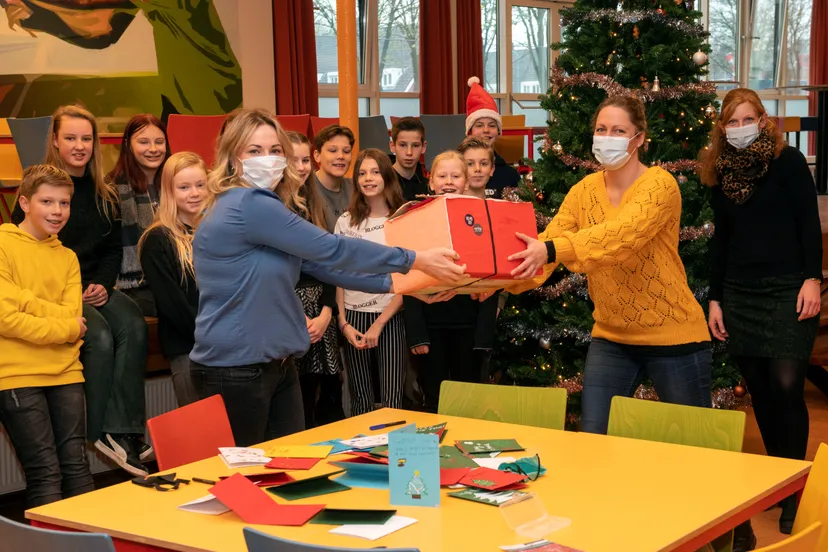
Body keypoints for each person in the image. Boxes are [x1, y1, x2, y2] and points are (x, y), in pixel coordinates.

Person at [189, 108, 466, 447]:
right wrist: (415, 259)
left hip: (275, 364)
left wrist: (401, 285)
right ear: (233, 158)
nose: (269, 160)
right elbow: (331, 249)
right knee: (246, 481)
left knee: (287, 470)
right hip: (236, 368)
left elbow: (319, 267)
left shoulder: (260, 205)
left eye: (276, 150)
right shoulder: (247, 204)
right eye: (254, 151)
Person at [494, 96, 713, 434]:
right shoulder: (583, 191)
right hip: (612, 336)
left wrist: (552, 249)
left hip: (674, 336)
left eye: (618, 130)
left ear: (638, 138)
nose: (607, 136)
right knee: (593, 438)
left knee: (692, 442)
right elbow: (543, 249)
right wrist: (494, 281)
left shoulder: (660, 185)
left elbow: (622, 237)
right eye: (601, 129)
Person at [701, 88, 821, 540]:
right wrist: (715, 298)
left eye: (746, 119)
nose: (739, 128)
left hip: (789, 289)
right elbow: (722, 242)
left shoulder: (787, 163)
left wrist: (814, 278)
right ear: (722, 128)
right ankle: (781, 481)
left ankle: (796, 489)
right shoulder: (719, 171)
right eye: (731, 122)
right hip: (739, 293)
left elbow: (809, 223)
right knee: (762, 393)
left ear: (763, 120)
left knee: (788, 385)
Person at [11, 105, 151, 476]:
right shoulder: (36, 188)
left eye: (86, 138)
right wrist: (73, 295)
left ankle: (125, 429)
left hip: (96, 285)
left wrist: (103, 286)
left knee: (134, 324)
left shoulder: (105, 192)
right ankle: (100, 429)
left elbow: (110, 250)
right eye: (70, 138)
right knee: (100, 336)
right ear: (55, 141)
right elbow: (24, 252)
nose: (79, 145)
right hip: (58, 295)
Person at [0, 164, 95, 508]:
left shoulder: (67, 257)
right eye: (47, 202)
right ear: (24, 203)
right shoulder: (2, 244)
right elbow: (6, 318)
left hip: (66, 371)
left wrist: (27, 303)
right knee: (45, 474)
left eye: (64, 203)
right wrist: (64, 325)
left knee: (78, 469)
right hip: (16, 375)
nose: (57, 212)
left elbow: (75, 318)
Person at [403, 151, 499, 413]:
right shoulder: (416, 216)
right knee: (433, 396)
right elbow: (408, 273)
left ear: (466, 181)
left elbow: (493, 267)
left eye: (455, 176)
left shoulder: (480, 215)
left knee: (467, 396)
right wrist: (417, 333)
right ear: (430, 181)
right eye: (442, 176)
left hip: (469, 322)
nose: (448, 181)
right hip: (430, 323)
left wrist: (484, 333)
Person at [335, 149, 409, 415]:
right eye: (362, 173)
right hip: (353, 319)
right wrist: (343, 323)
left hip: (389, 319)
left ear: (387, 176)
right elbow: (337, 276)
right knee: (360, 400)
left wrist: (378, 325)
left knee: (392, 400)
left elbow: (406, 282)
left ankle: (394, 456)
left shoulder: (401, 220)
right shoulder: (345, 222)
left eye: (375, 172)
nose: (368, 178)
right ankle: (360, 455)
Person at [138, 152, 206, 407]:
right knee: (203, 433)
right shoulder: (157, 240)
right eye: (184, 187)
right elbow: (173, 305)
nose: (194, 193)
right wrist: (212, 336)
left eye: (200, 185)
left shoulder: (213, 231)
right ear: (168, 191)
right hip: (189, 350)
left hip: (226, 347)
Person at [286, 131, 344, 428]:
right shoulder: (274, 206)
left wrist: (326, 313)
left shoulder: (316, 201)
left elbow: (329, 262)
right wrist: (299, 318)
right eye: (292, 159)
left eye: (305, 159)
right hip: (288, 309)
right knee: (296, 399)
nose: (301, 166)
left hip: (320, 306)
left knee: (327, 392)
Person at [109, 114, 171, 317]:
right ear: (128, 145)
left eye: (159, 142)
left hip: (174, 276)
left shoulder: (177, 183)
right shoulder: (112, 189)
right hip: (132, 285)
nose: (153, 149)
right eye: (143, 142)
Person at [464, 76, 520, 198]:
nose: (486, 130)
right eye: (479, 125)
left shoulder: (510, 175)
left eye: (492, 125)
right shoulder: (456, 170)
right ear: (469, 131)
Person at [313, 125, 355, 232]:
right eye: (332, 150)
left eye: (346, 151)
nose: (340, 156)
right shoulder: (305, 189)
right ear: (317, 155)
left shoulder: (356, 188)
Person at [390, 117, 429, 201]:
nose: (409, 152)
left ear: (423, 147)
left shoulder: (429, 187)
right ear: (392, 146)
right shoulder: (383, 183)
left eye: (415, 145)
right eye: (403, 145)